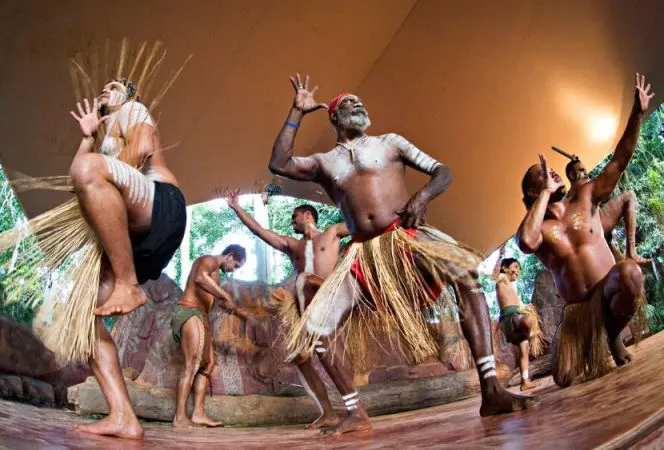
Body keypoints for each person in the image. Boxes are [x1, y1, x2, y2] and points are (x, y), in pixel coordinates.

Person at [268, 74, 535, 434]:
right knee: (315, 328)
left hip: (406, 238)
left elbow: (443, 171)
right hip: (364, 255)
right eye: (349, 103)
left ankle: (490, 390)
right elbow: (279, 163)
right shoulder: (323, 162)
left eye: (360, 102)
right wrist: (296, 112)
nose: (358, 105)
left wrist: (422, 197)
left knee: (467, 272)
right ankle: (354, 410)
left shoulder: (390, 143)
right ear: (333, 116)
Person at [66, 78, 186, 439]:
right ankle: (123, 417)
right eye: (103, 87)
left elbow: (144, 147)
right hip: (135, 240)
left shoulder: (132, 109)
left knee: (87, 169)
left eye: (114, 85)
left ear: (129, 94)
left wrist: (102, 168)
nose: (106, 89)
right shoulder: (102, 138)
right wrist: (88, 138)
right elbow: (79, 179)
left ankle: (127, 283)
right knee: (85, 318)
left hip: (160, 206)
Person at [517, 74, 653, 387]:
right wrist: (544, 196)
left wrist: (637, 115)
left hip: (608, 290)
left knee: (630, 274)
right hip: (579, 313)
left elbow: (619, 161)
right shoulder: (537, 228)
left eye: (551, 170)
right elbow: (526, 241)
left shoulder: (584, 196)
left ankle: (613, 337)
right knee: (563, 378)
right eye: (543, 174)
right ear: (532, 193)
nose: (552, 172)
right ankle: (590, 339)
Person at [227, 190, 349, 429]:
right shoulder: (292, 245)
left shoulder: (332, 233)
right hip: (305, 307)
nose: (291, 221)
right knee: (300, 358)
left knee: (329, 354)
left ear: (307, 215)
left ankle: (355, 410)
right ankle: (328, 412)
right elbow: (260, 232)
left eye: (294, 216)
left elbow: (363, 226)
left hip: (330, 302)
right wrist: (237, 208)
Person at [172, 245, 250, 428]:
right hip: (190, 312)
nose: (233, 271)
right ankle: (179, 417)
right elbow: (199, 278)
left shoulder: (216, 275)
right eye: (236, 266)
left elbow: (220, 301)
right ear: (229, 256)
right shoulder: (208, 261)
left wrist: (239, 312)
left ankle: (198, 414)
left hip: (201, 318)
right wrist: (225, 295)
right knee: (192, 363)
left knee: (207, 365)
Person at [555, 147, 648, 264]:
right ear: (572, 175)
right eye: (581, 171)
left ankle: (631, 252)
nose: (585, 173)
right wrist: (574, 166)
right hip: (586, 229)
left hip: (600, 223)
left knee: (629, 197)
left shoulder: (587, 186)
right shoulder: (571, 196)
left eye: (585, 170)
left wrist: (576, 163)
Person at [491, 245, 545, 391]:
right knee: (529, 319)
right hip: (510, 317)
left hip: (515, 318)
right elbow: (493, 275)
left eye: (519, 268)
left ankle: (525, 382)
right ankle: (532, 332)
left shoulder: (513, 286)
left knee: (524, 350)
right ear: (505, 268)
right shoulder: (502, 279)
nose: (518, 270)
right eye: (515, 266)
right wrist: (500, 255)